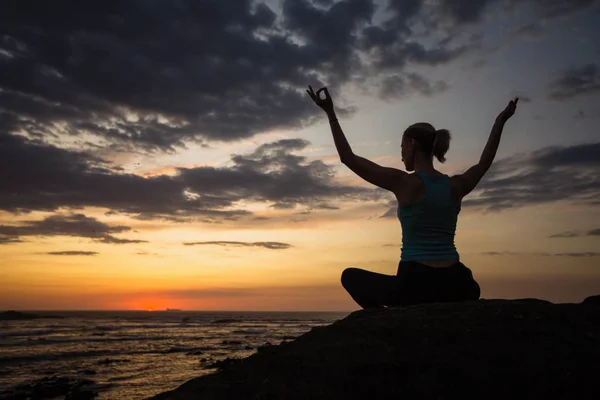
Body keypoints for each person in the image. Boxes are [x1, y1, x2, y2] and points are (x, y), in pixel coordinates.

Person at [306, 85, 518, 308]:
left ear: (411, 144)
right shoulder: (455, 185)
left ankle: (387, 322)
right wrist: (500, 122)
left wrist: (329, 112)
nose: (401, 154)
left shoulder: (405, 183)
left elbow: (348, 158)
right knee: (468, 286)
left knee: (350, 276)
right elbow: (484, 163)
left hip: (415, 282)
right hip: (456, 282)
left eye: (401, 147)